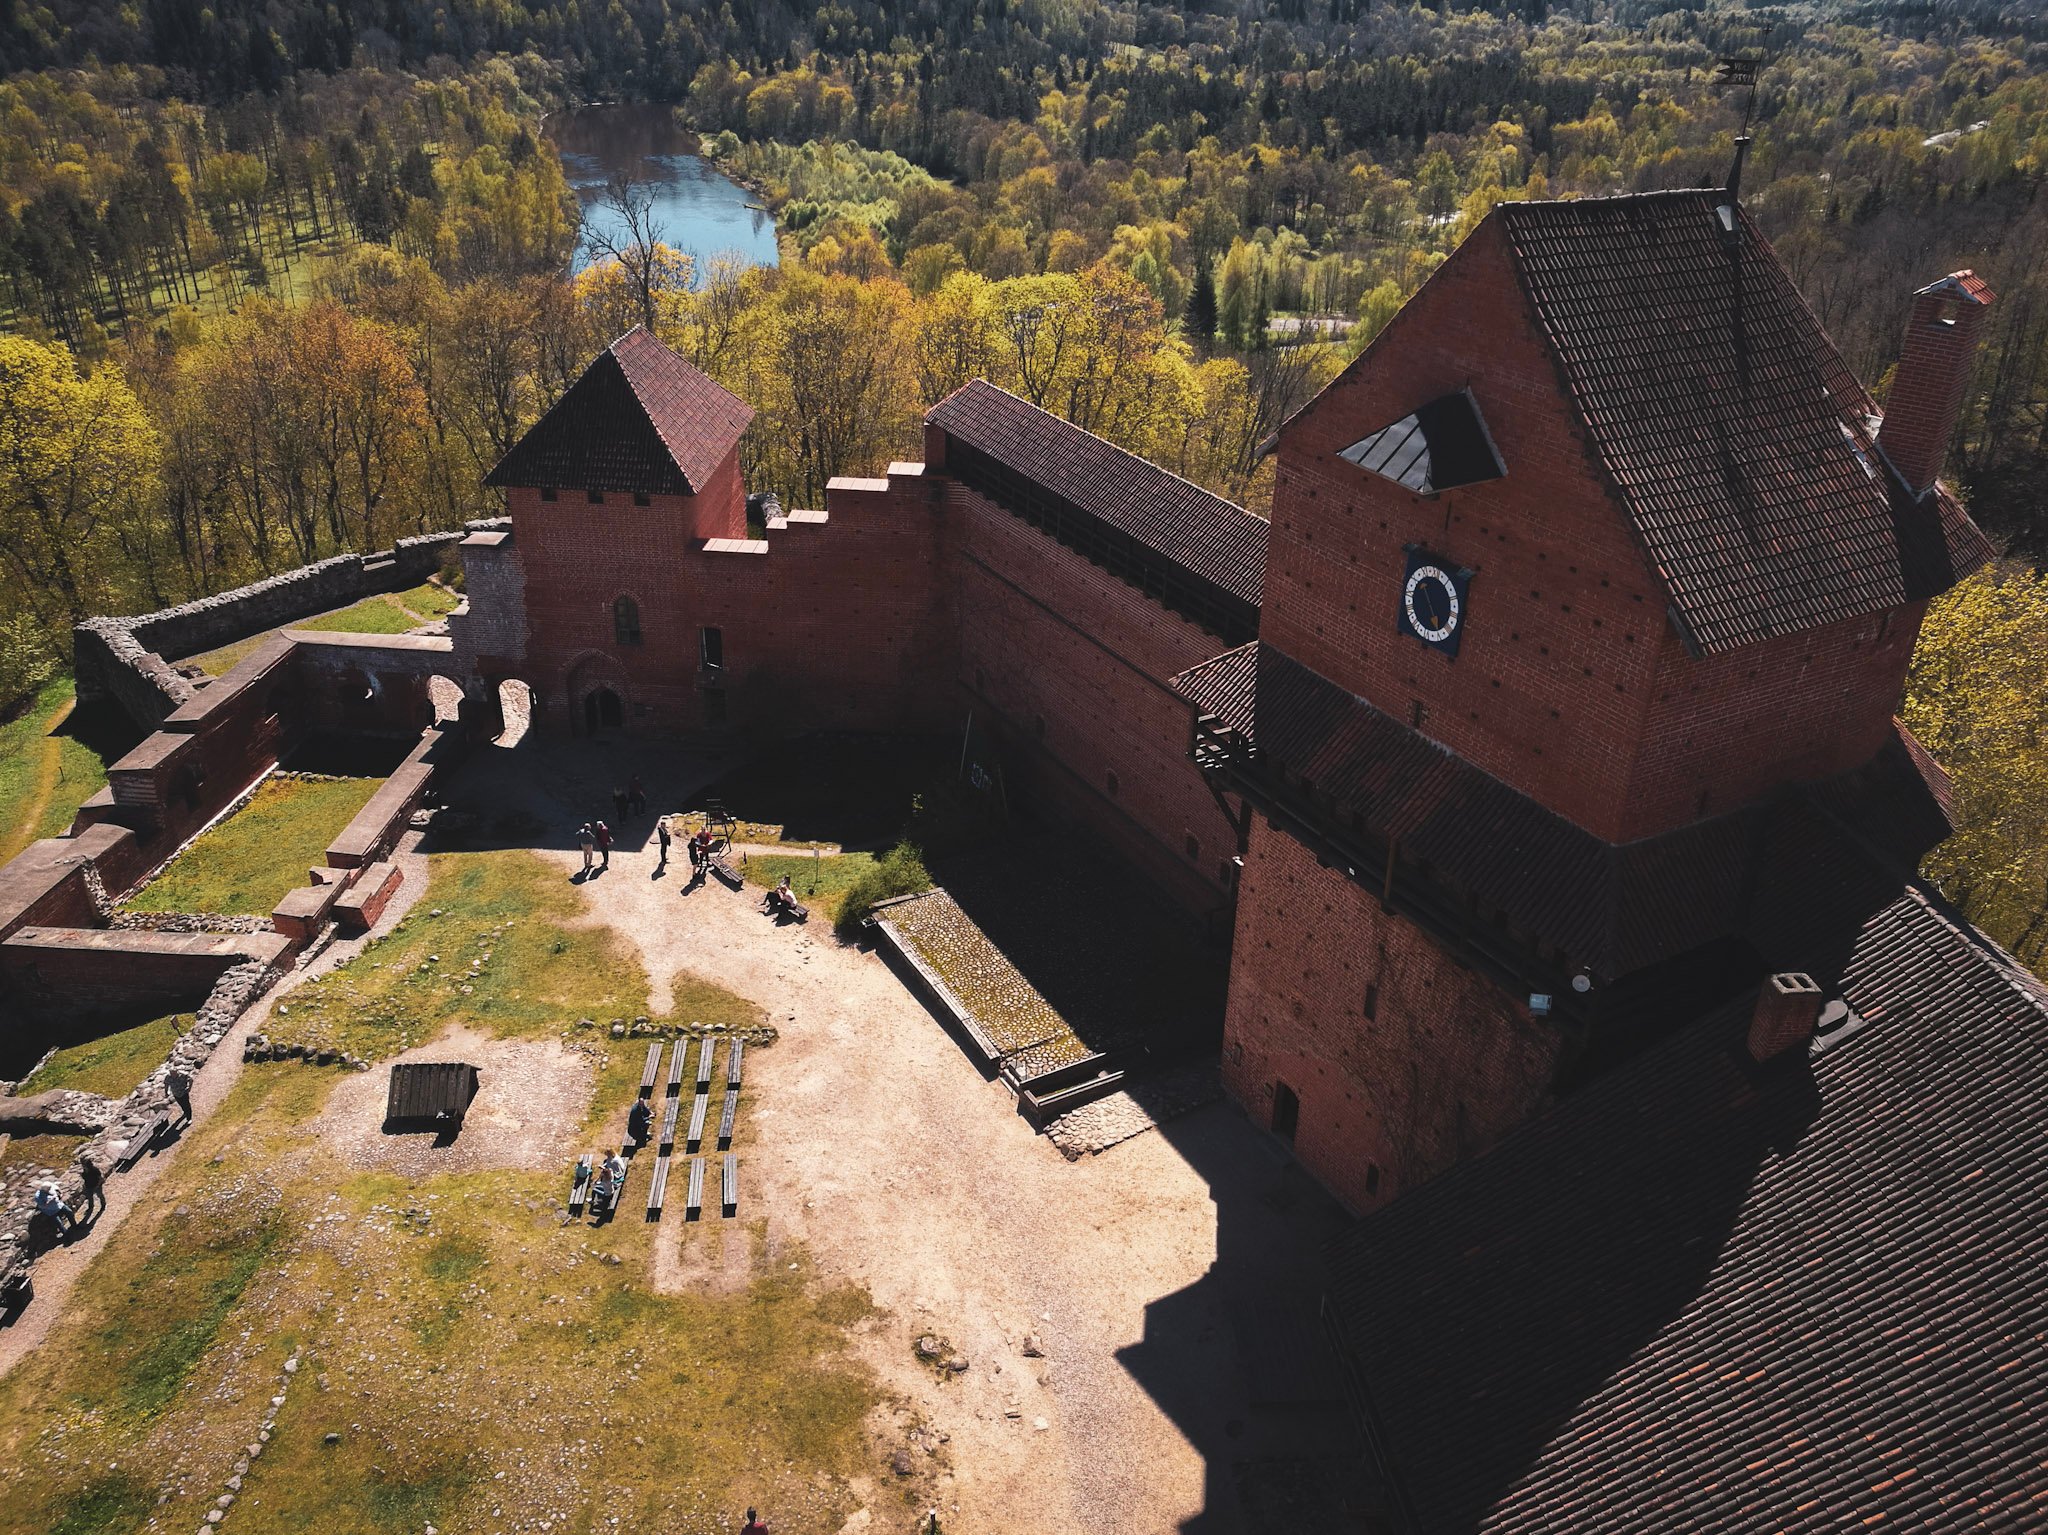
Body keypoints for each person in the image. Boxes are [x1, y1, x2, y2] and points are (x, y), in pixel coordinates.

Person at [77, 1154, 105, 1221]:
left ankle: (103, 1205)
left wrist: (98, 1185)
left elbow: (100, 1178)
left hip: (96, 1185)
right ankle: (91, 1207)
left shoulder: (95, 1170)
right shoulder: (85, 1171)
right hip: (88, 1186)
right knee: (90, 1198)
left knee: (100, 1195)